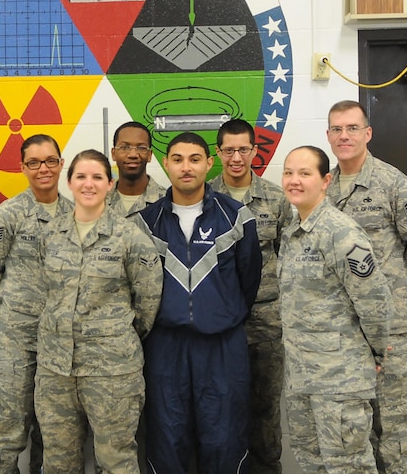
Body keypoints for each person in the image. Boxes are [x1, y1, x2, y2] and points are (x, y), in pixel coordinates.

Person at [325, 100, 407, 474]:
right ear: (328, 135)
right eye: (337, 129)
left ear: (367, 133)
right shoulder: (324, 187)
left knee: (391, 430)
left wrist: (401, 296)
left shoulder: (393, 184)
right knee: (350, 432)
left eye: (352, 128)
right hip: (342, 332)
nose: (345, 136)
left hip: (389, 330)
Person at [137, 132, 261, 474]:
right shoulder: (145, 223)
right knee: (167, 436)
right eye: (177, 159)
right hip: (165, 346)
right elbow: (139, 289)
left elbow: (249, 281)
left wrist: (222, 314)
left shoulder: (237, 217)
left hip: (222, 346)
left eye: (194, 159)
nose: (186, 167)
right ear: (165, 164)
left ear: (209, 163)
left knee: (223, 438)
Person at [34, 149, 162, 474]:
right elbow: (44, 293)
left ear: (110, 184)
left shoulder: (130, 236)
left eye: (97, 177)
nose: (88, 184)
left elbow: (147, 302)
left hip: (112, 371)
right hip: (55, 370)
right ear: (69, 182)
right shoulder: (50, 235)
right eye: (81, 176)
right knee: (58, 462)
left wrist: (115, 335)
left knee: (116, 461)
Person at [279, 145, 392, 473]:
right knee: (310, 461)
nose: (294, 180)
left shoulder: (341, 233)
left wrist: (376, 354)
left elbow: (374, 301)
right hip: (302, 377)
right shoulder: (293, 233)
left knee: (349, 466)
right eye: (288, 172)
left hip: (339, 380)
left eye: (304, 173)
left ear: (325, 180)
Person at [0, 134, 74, 474]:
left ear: (61, 164)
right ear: (22, 168)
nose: (43, 169)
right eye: (34, 162)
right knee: (8, 433)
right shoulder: (5, 216)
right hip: (12, 341)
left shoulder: (77, 216)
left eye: (50, 161)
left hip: (58, 345)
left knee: (55, 437)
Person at [209, 119, 292, 474]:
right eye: (229, 150)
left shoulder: (276, 198)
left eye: (244, 149)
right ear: (218, 153)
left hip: (267, 322)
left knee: (265, 409)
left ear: (255, 151)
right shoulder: (204, 198)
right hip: (220, 324)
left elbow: (290, 258)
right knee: (220, 407)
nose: (237, 157)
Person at [107, 121, 167, 217]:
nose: (133, 154)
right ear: (114, 154)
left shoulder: (168, 202)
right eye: (125, 147)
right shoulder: (99, 202)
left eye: (141, 148)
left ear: (149, 155)